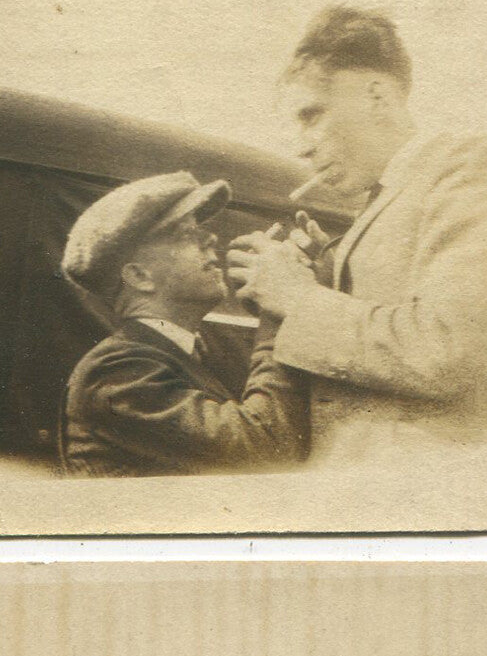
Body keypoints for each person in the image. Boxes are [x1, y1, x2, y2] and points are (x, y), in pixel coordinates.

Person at [225, 7, 487, 466]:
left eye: (311, 115)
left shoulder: (468, 164)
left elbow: (449, 349)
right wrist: (319, 274)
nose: (302, 146)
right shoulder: (387, 197)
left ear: (376, 95)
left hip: (438, 487)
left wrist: (296, 297)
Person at [59, 172, 309, 476]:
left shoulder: (192, 354)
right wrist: (277, 310)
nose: (210, 238)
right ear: (139, 276)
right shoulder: (115, 374)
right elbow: (267, 447)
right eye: (184, 234)